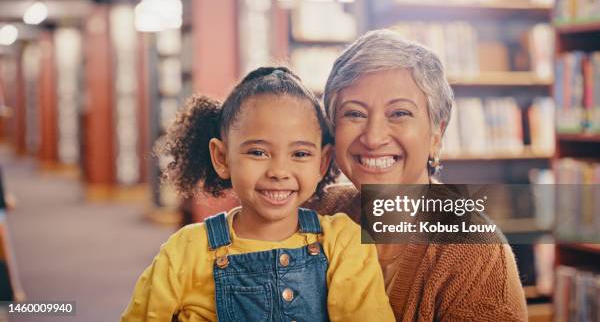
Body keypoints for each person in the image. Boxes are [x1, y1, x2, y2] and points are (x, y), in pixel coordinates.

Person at [121, 67, 394, 321]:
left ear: (322, 163)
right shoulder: (185, 250)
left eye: (300, 154)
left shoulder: (344, 242)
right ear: (222, 158)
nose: (279, 171)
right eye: (258, 152)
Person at [309, 29, 528, 321]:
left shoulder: (477, 254)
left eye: (399, 113)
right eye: (354, 114)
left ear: (437, 133)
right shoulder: (315, 211)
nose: (373, 138)